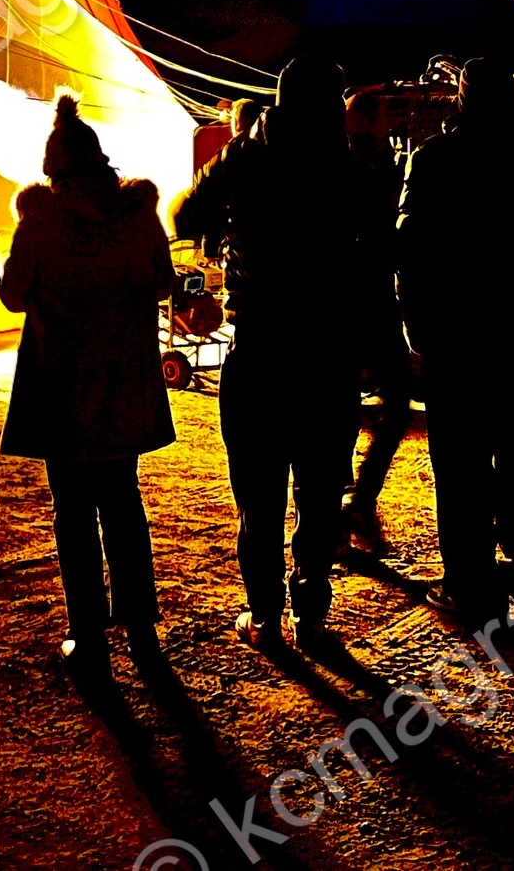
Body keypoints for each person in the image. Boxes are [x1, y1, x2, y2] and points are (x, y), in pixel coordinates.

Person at [173, 56, 388, 653]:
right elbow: (378, 247)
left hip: (260, 348)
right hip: (326, 351)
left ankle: (265, 615)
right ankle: (312, 614)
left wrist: (233, 223)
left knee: (259, 494)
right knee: (320, 491)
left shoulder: (246, 154)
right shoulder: (348, 167)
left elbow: (185, 214)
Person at [397, 62, 514, 633]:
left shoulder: (432, 161)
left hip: (457, 342)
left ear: (462, 100)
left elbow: (411, 254)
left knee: (460, 470)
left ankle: (471, 587)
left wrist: (419, 333)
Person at [0, 95, 178, 678]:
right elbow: (161, 284)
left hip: (62, 385)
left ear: (53, 169)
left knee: (73, 512)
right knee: (125, 505)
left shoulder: (39, 222)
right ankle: (143, 631)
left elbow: (14, 293)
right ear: (102, 161)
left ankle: (88, 635)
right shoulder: (139, 215)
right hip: (124, 382)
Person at [342, 125, 414, 553]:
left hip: (347, 312)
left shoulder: (328, 176)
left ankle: (347, 504)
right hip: (371, 310)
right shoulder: (371, 179)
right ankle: (354, 502)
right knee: (395, 405)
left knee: (344, 413)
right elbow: (392, 246)